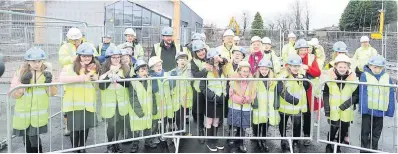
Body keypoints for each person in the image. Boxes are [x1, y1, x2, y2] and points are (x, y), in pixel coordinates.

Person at [9, 47, 57, 153]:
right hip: (23, 113)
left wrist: (49, 83)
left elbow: (53, 93)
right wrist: (23, 85)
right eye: (33, 61)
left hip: (37, 115)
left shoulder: (46, 73)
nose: (37, 64)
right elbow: (13, 94)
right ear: (28, 61)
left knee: (33, 138)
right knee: (26, 138)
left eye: (39, 61)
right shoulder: (20, 72)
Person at [58, 43, 100, 153]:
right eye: (84, 56)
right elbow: (61, 79)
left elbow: (96, 86)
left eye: (89, 56)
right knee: (75, 129)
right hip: (73, 104)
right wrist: (81, 78)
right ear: (79, 56)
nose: (87, 58)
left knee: (85, 129)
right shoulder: (69, 66)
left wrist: (96, 78)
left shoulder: (93, 68)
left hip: (88, 104)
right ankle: (75, 149)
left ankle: (82, 147)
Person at [359, 55, 395, 152]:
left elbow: (391, 93)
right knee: (365, 131)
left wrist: (390, 109)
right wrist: (363, 108)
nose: (377, 69)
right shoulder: (365, 75)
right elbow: (363, 92)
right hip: (368, 110)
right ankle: (363, 149)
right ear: (370, 66)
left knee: (376, 132)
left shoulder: (387, 77)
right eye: (375, 67)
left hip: (380, 110)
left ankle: (373, 149)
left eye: (379, 67)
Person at [323, 54, 358, 153]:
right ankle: (329, 145)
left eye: (344, 67)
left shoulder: (353, 78)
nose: (342, 69)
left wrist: (346, 104)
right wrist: (326, 107)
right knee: (333, 129)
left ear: (348, 67)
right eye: (340, 67)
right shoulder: (330, 78)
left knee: (343, 130)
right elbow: (325, 93)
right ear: (335, 67)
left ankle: (337, 146)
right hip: (333, 110)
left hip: (346, 110)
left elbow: (356, 95)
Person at [98, 47, 131, 153]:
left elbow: (128, 84)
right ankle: (110, 145)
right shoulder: (104, 69)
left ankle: (116, 143)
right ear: (109, 58)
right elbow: (102, 87)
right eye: (114, 57)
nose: (116, 59)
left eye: (118, 57)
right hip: (110, 102)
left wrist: (120, 79)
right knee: (112, 125)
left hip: (121, 101)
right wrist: (109, 77)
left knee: (119, 124)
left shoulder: (125, 68)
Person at [277, 54, 310, 153]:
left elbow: (307, 86)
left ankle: (295, 142)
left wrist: (304, 81)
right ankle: (283, 140)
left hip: (297, 108)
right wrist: (292, 100)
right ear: (289, 66)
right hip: (285, 107)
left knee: (297, 125)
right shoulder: (283, 75)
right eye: (293, 66)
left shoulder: (302, 75)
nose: (295, 68)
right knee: (283, 124)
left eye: (297, 66)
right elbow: (280, 89)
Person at [199, 48, 229, 152]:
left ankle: (214, 140)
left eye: (217, 57)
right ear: (210, 59)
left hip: (221, 99)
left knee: (216, 121)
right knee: (209, 121)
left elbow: (226, 61)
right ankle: (209, 141)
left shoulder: (223, 69)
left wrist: (223, 96)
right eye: (214, 58)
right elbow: (202, 86)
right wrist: (212, 96)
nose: (216, 60)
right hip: (211, 99)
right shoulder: (206, 70)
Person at [294, 39, 321, 146]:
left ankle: (306, 135)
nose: (303, 52)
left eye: (305, 49)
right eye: (301, 50)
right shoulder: (293, 58)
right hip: (295, 90)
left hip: (308, 91)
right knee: (296, 114)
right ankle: (295, 137)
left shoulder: (311, 58)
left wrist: (307, 68)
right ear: (297, 50)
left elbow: (318, 72)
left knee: (307, 114)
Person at [227, 61, 256, 153]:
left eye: (247, 71)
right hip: (235, 106)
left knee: (243, 127)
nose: (245, 73)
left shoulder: (252, 81)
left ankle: (241, 143)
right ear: (239, 71)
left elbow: (253, 94)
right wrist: (240, 100)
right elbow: (231, 94)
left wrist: (247, 99)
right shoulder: (233, 81)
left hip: (246, 107)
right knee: (234, 126)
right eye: (244, 71)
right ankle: (233, 144)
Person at [127, 60, 155, 152]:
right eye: (142, 71)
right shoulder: (133, 82)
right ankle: (135, 144)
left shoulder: (149, 80)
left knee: (148, 126)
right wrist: (139, 111)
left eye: (146, 70)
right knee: (136, 128)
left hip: (148, 109)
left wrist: (154, 108)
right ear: (137, 72)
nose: (144, 72)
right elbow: (133, 98)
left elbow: (152, 95)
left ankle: (148, 141)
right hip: (137, 112)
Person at [252, 58, 279, 152]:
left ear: (269, 70)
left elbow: (276, 92)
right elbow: (252, 91)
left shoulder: (273, 79)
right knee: (257, 122)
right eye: (262, 69)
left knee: (266, 122)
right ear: (259, 69)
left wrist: (276, 103)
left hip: (268, 105)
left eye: (266, 69)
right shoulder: (255, 79)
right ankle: (257, 137)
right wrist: (254, 101)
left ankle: (263, 139)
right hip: (259, 105)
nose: (264, 71)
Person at [148, 56, 171, 148]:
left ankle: (163, 134)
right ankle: (154, 136)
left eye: (160, 64)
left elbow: (171, 86)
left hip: (165, 102)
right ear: (152, 68)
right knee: (155, 122)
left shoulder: (166, 75)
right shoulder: (150, 77)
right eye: (156, 66)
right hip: (155, 103)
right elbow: (153, 89)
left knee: (164, 120)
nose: (159, 67)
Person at [190, 40, 211, 144]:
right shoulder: (193, 62)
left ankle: (210, 129)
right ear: (195, 53)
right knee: (199, 110)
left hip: (210, 88)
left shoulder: (210, 57)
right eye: (198, 51)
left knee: (209, 109)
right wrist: (205, 70)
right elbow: (195, 74)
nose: (201, 53)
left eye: (202, 50)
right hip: (198, 89)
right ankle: (200, 129)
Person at [169, 52, 193, 137]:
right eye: (181, 59)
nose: (183, 61)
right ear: (177, 61)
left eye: (185, 59)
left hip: (185, 98)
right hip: (175, 98)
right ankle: (174, 131)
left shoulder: (189, 70)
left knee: (182, 116)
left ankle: (181, 132)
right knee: (176, 116)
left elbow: (191, 79)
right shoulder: (173, 72)